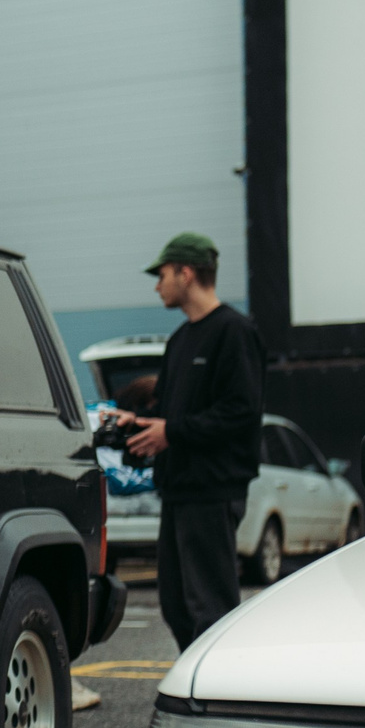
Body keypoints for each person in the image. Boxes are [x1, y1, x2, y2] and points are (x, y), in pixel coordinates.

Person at [122, 232, 264, 649]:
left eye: (162, 274)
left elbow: (241, 414)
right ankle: (200, 687)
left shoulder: (234, 333)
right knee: (176, 606)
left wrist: (171, 431)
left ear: (186, 273)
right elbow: (171, 414)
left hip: (212, 490)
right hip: (179, 490)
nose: (157, 285)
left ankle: (215, 697)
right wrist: (139, 421)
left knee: (211, 607)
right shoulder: (180, 340)